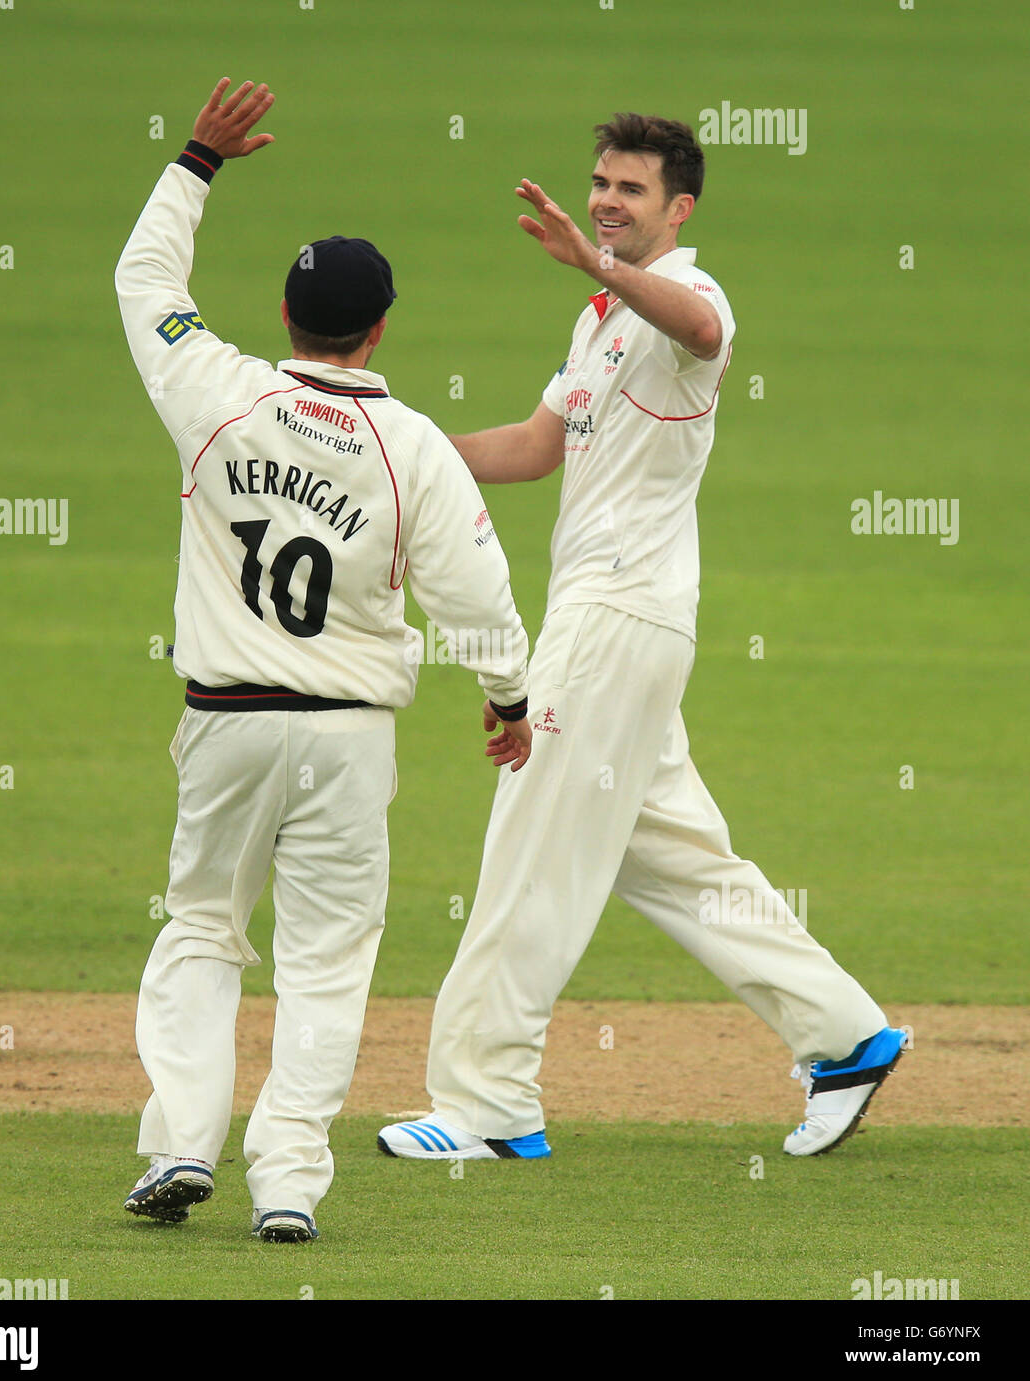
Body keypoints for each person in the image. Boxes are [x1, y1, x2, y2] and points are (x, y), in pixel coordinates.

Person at [378, 112, 908, 1166]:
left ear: (680, 208)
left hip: (612, 619)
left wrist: (600, 267)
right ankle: (847, 1038)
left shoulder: (687, 301)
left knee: (528, 851)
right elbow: (535, 448)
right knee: (672, 857)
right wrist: (400, 446)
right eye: (600, 184)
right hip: (629, 624)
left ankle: (486, 1104)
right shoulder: (595, 326)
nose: (608, 200)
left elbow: (706, 335)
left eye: (630, 188)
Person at [114, 77, 531, 1241]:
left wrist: (197, 158)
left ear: (286, 314)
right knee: (328, 962)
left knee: (202, 929)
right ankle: (288, 1182)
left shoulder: (215, 388)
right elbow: (477, 595)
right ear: (381, 327)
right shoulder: (415, 448)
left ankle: (181, 1148)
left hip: (224, 721)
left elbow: (144, 283)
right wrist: (509, 698)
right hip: (349, 740)